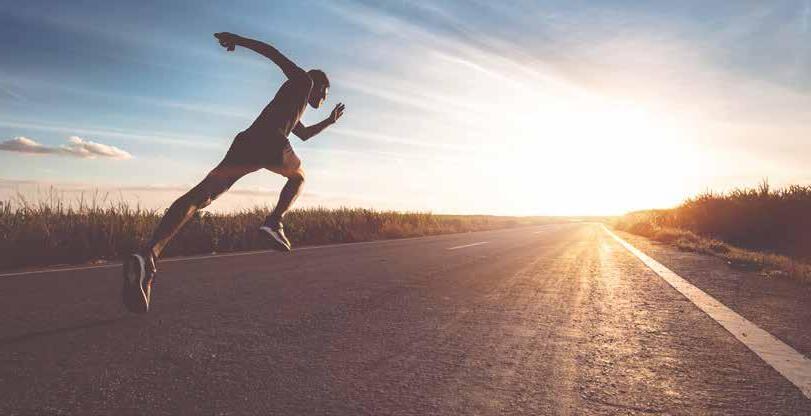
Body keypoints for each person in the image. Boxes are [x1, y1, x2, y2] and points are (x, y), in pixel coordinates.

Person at [122, 32, 345, 313]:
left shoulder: (293, 105)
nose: (323, 100)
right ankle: (274, 221)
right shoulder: (304, 81)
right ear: (319, 86)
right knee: (299, 176)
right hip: (271, 141)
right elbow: (273, 53)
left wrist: (329, 121)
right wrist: (236, 40)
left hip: (247, 142)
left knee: (201, 196)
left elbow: (304, 134)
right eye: (325, 96)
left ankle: (148, 256)